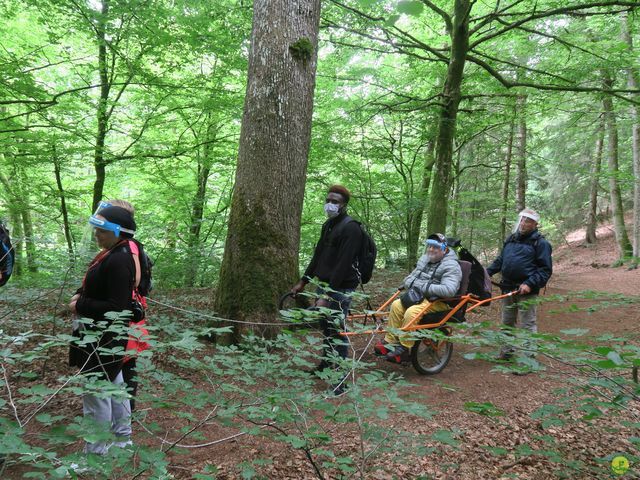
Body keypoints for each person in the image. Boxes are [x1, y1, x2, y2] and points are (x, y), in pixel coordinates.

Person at [69, 205, 139, 455]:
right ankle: (123, 440)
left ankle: (95, 454)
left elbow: (117, 307)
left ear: (117, 231)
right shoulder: (112, 254)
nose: (97, 234)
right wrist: (82, 295)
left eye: (101, 230)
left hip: (102, 339)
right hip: (106, 339)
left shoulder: (118, 260)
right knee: (116, 388)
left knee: (96, 397)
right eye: (96, 229)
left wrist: (80, 304)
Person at [290, 185, 363, 385]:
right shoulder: (328, 225)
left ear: (344, 205)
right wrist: (303, 282)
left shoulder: (352, 228)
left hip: (341, 287)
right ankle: (324, 365)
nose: (330, 205)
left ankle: (340, 379)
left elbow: (343, 264)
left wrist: (326, 296)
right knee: (326, 326)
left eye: (335, 202)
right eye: (328, 200)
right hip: (325, 284)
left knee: (337, 329)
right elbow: (318, 256)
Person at [375, 233, 462, 363]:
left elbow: (449, 290)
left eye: (435, 247)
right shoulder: (425, 259)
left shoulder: (451, 266)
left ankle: (404, 348)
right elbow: (408, 280)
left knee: (412, 312)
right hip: (418, 297)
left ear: (444, 249)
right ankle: (390, 341)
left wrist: (422, 286)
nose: (431, 250)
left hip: (439, 301)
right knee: (396, 305)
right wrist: (415, 284)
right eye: (430, 246)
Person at [486, 208, 553, 361]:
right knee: (507, 322)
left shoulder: (541, 243)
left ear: (535, 224)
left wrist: (529, 283)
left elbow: (545, 270)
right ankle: (506, 352)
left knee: (527, 325)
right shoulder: (511, 239)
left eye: (527, 221)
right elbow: (500, 261)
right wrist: (486, 273)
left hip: (526, 292)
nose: (523, 223)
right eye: (522, 219)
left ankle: (527, 359)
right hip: (507, 288)